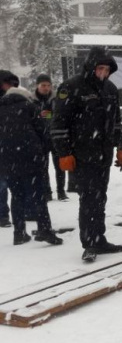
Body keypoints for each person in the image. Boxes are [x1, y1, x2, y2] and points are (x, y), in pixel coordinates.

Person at [51, 47, 122, 261]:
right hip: (82, 154)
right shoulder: (71, 87)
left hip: (104, 154)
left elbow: (116, 122)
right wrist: (63, 153)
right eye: (100, 68)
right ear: (91, 67)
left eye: (107, 69)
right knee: (89, 199)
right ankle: (89, 242)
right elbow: (59, 123)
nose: (103, 73)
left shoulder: (110, 89)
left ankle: (99, 239)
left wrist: (120, 148)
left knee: (100, 198)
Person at [0, 86, 63, 246]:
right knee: (38, 195)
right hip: (30, 158)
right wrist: (44, 152)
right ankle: (45, 230)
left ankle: (19, 233)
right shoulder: (29, 107)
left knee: (16, 196)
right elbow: (42, 131)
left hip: (7, 161)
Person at [33, 74, 68, 202]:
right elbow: (28, 118)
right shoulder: (31, 100)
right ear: (37, 86)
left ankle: (61, 191)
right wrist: (38, 115)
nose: (46, 88)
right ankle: (47, 192)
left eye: (48, 85)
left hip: (55, 137)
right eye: (43, 85)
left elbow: (62, 115)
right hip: (40, 138)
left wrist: (51, 115)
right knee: (43, 168)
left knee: (60, 166)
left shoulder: (57, 98)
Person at [0, 70, 19, 228]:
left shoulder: (16, 100)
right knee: (2, 185)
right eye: (8, 83)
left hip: (13, 147)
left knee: (14, 184)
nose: (10, 87)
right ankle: (3, 215)